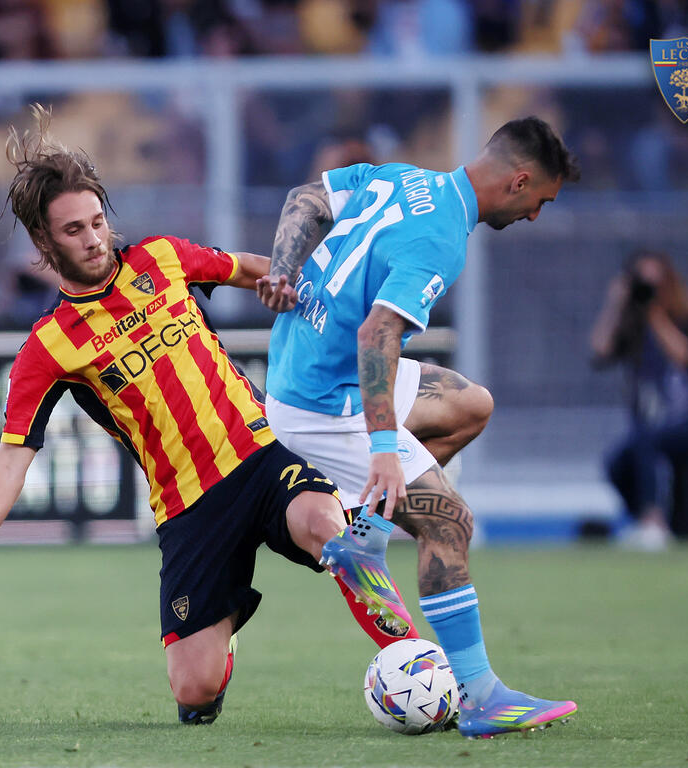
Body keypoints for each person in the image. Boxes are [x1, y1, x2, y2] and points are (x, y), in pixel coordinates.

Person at [0, 105, 415, 726]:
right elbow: (11, 458)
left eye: (97, 222)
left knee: (333, 531)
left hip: (260, 455)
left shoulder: (161, 258)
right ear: (44, 245)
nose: (94, 239)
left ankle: (417, 666)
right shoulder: (48, 347)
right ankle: (221, 635)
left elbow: (244, 268)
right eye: (74, 231)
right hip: (188, 508)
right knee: (194, 693)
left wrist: (292, 285)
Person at [256, 116, 582, 738]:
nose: (535, 215)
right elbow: (375, 334)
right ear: (518, 181)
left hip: (304, 363)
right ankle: (481, 697)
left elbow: (305, 198)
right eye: (540, 201)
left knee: (470, 405)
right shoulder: (441, 238)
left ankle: (365, 538)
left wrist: (282, 270)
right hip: (326, 401)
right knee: (449, 522)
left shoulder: (403, 178)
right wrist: (383, 447)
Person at [590, 249, 688, 549]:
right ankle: (646, 519)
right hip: (655, 424)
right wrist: (615, 304)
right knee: (617, 463)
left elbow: (686, 358)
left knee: (647, 440)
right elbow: (600, 351)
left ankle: (654, 524)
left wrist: (654, 313)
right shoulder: (632, 325)